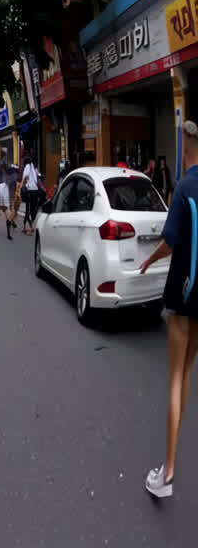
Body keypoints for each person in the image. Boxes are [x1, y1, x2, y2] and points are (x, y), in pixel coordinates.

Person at [140, 120, 198, 499]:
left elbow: (170, 241)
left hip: (184, 293)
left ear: (190, 143)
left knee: (175, 377)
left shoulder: (185, 186)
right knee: (188, 371)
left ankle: (168, 473)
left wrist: (148, 261)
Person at [21, 155, 42, 235]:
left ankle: (29, 228)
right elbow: (37, 178)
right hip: (35, 190)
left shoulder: (27, 166)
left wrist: (21, 186)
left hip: (29, 190)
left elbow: (25, 177)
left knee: (28, 210)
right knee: (33, 209)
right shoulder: (33, 167)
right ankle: (26, 227)